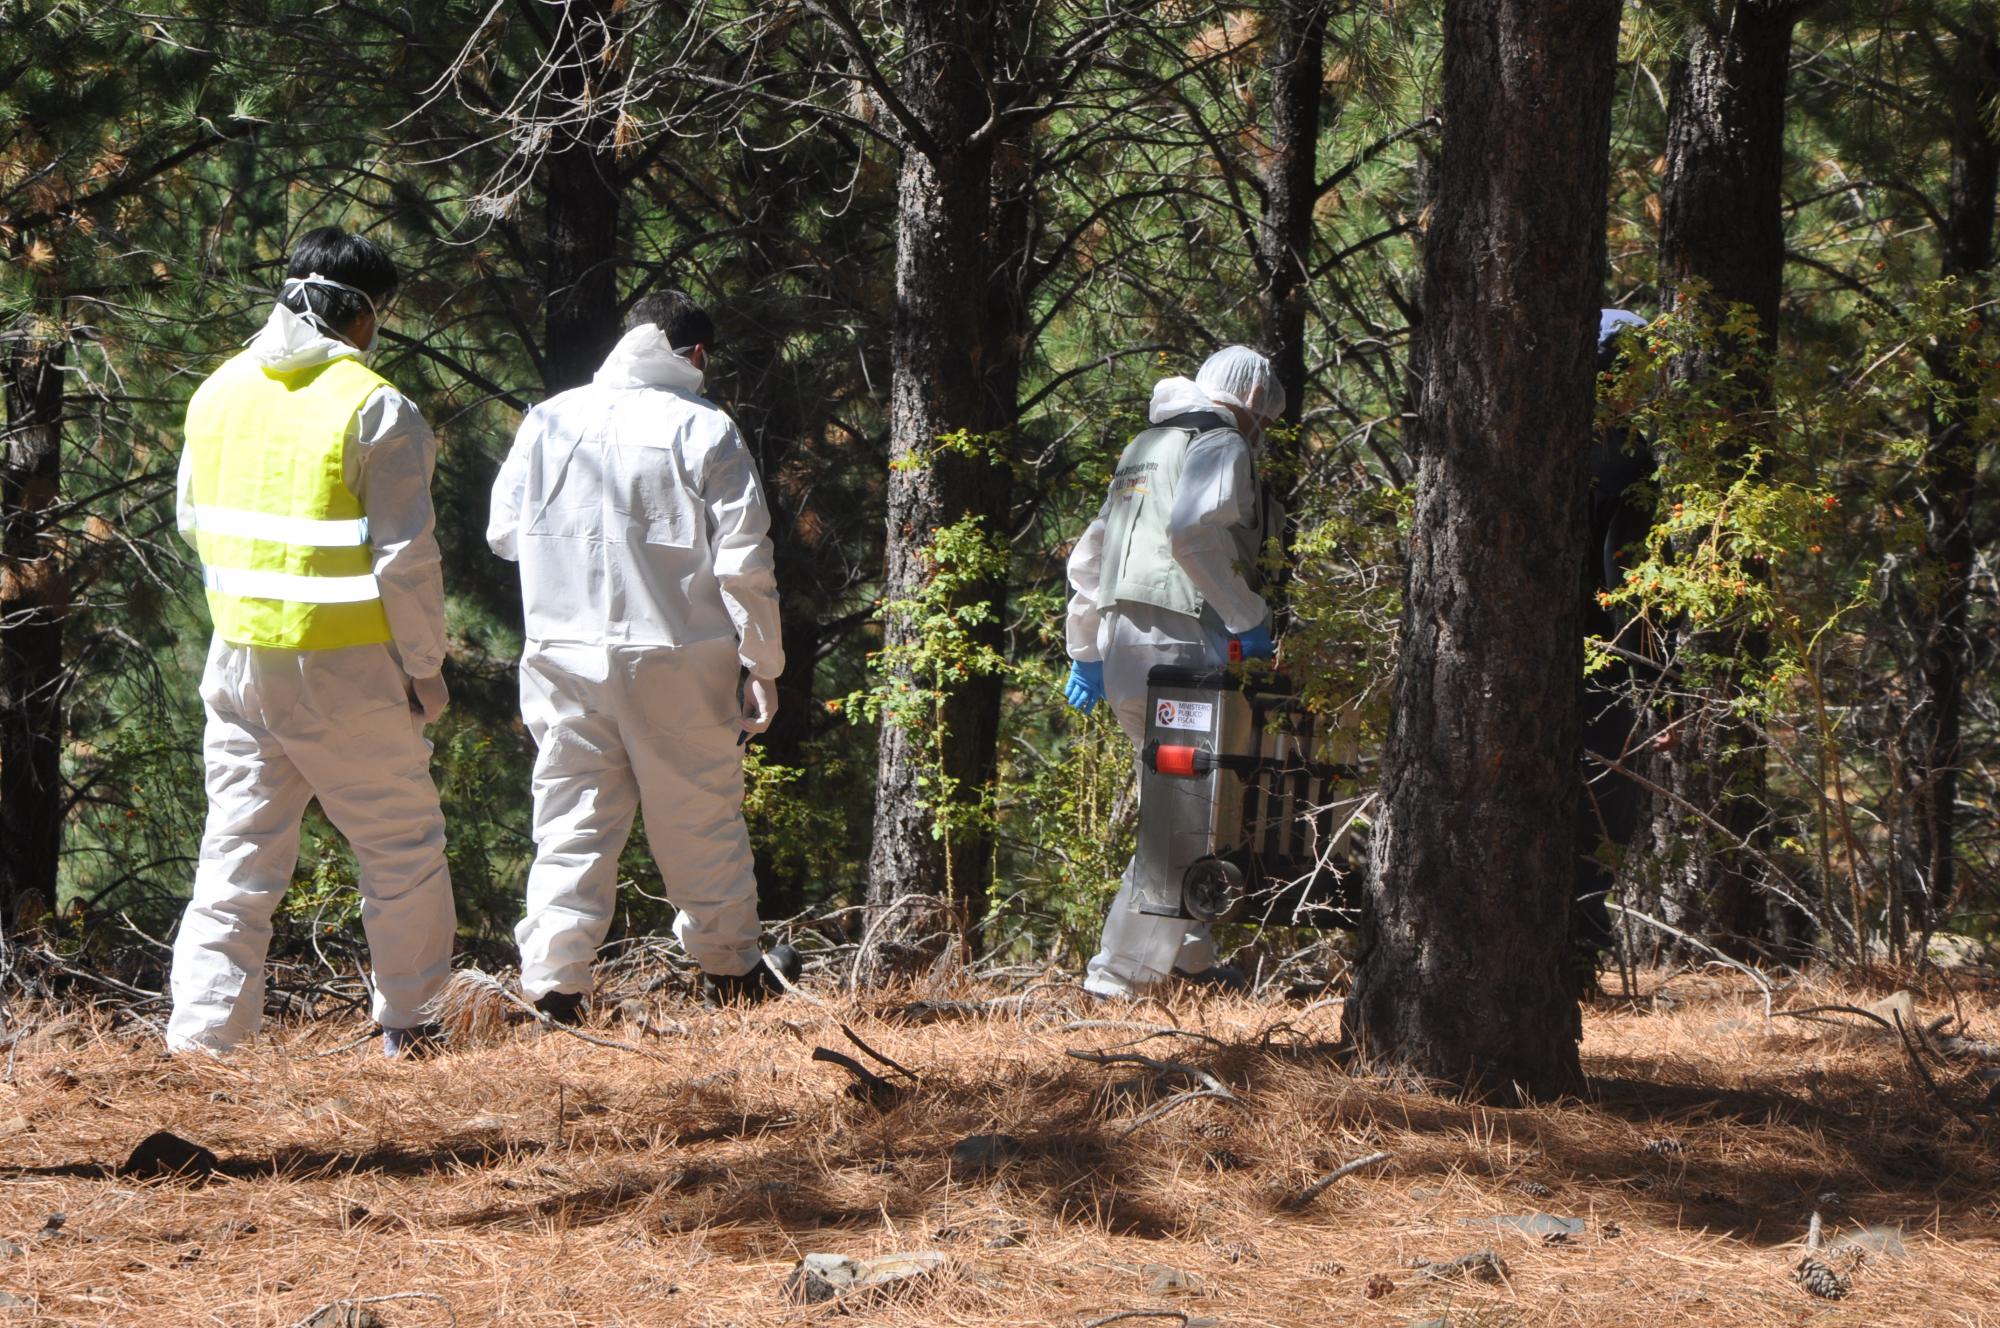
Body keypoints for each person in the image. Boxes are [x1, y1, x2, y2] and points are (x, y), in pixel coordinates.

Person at [168, 227, 456, 1058]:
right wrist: (425, 669)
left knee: (237, 858)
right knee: (401, 848)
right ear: (362, 313)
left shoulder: (217, 391)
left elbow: (192, 521)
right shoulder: (375, 408)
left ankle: (204, 1047)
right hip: (345, 668)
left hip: (239, 657)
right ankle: (415, 1027)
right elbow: (406, 563)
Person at [488, 289, 798, 1016]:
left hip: (564, 652)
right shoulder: (705, 426)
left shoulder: (548, 420)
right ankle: (732, 974)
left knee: (571, 823)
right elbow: (744, 563)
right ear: (697, 354)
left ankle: (555, 987)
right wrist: (763, 663)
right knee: (701, 820)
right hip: (677, 656)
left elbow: (502, 535)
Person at [1062, 346, 1287, 999]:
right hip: (1181, 649)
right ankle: (1116, 979)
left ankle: (1189, 953)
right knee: (1185, 818)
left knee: (1179, 803)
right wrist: (1248, 616)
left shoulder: (1146, 446)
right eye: (1264, 421)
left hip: (1123, 650)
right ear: (1252, 406)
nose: (1262, 433)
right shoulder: (1221, 443)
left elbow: (1089, 558)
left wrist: (1086, 649)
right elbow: (1192, 537)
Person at [1574, 309, 1654, 977]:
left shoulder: (1538, 436)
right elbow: (1625, 573)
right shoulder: (1626, 453)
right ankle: (1577, 946)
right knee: (1604, 801)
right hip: (1598, 663)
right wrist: (1653, 676)